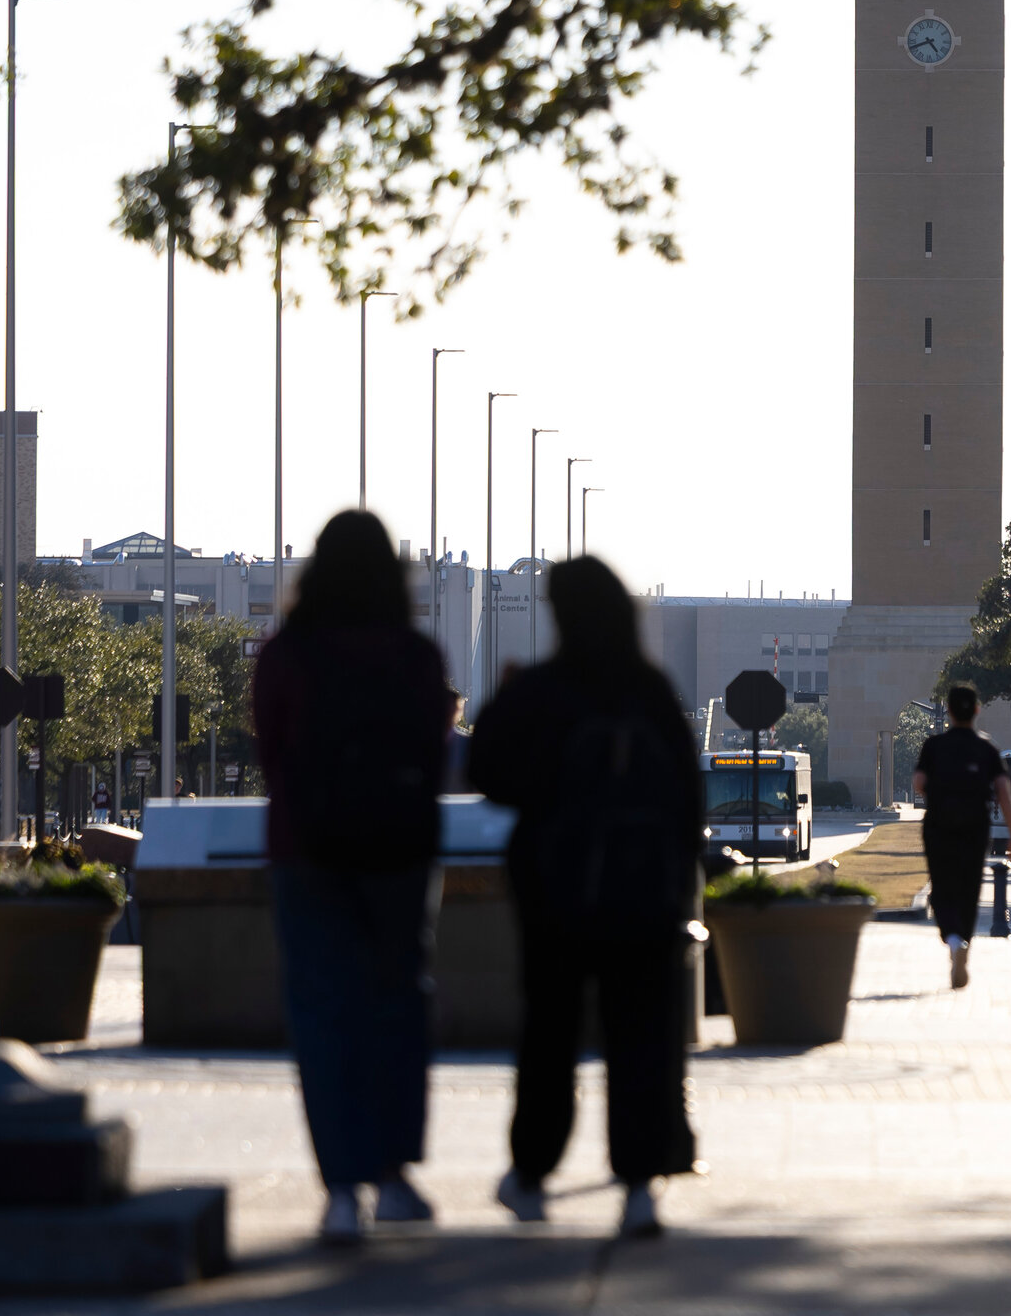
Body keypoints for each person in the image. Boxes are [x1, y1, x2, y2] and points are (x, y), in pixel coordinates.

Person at [468, 555, 701, 1240]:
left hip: (554, 890)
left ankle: (533, 1175)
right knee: (641, 1038)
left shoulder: (540, 691)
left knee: (550, 1035)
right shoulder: (649, 690)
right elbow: (687, 798)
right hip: (644, 895)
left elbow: (485, 772)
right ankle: (638, 1185)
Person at [253, 510, 454, 1244]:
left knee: (322, 1012)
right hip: (399, 852)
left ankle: (341, 1189)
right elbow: (434, 760)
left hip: (307, 850)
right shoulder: (415, 656)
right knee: (398, 1003)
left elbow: (272, 754)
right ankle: (396, 1176)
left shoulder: (287, 654)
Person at [912, 684, 1011, 988]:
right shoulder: (988, 749)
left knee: (942, 886)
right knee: (969, 887)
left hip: (938, 826)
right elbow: (1004, 793)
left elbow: (919, 782)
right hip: (975, 826)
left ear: (947, 711)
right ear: (976, 711)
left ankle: (953, 938)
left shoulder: (933, 746)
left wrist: (940, 788)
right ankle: (965, 943)